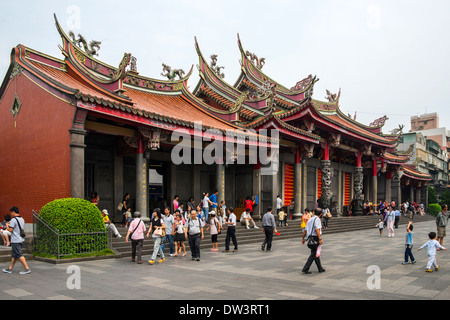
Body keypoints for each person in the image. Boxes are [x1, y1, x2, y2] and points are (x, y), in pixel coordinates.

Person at [2, 206, 30, 274]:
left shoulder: (13, 220)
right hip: (20, 239)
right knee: (14, 255)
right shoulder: (22, 219)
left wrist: (7, 226)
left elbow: (10, 230)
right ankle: (10, 268)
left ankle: (27, 269)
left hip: (15, 240)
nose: (11, 214)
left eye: (11, 212)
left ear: (13, 212)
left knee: (19, 254)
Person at [301, 207, 325, 274]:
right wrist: (320, 239)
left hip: (310, 238)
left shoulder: (310, 219)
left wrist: (303, 238)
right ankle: (305, 268)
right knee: (313, 254)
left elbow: (305, 230)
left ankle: (320, 268)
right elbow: (317, 229)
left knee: (315, 253)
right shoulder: (317, 219)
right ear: (320, 214)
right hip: (315, 238)